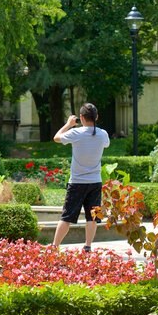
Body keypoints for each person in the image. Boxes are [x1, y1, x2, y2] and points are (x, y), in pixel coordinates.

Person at [51, 103, 110, 252]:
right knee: (93, 216)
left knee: (66, 217)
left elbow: (56, 138)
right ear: (96, 117)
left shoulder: (76, 133)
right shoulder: (103, 134)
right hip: (95, 183)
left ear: (81, 117)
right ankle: (88, 246)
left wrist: (68, 124)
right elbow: (106, 144)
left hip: (77, 183)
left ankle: (54, 247)